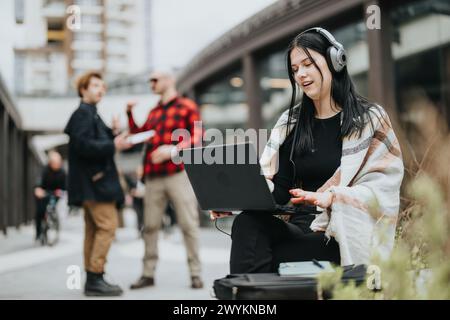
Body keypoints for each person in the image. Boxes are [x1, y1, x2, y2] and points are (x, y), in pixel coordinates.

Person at [212, 27, 404, 273]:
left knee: (265, 255)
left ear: (336, 61)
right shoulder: (291, 123)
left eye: (308, 64)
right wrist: (239, 199)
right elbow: (280, 192)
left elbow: (383, 189)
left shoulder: (369, 120)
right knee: (246, 224)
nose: (301, 74)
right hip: (301, 228)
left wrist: (332, 197)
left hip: (338, 230)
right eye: (295, 69)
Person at [127, 71, 204, 289]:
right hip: (153, 178)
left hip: (178, 174)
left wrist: (173, 149)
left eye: (155, 79)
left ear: (170, 80)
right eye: (150, 79)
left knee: (189, 225)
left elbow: (197, 136)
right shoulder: (153, 112)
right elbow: (139, 135)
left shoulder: (187, 106)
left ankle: (195, 274)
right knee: (149, 226)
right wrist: (129, 113)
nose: (151, 83)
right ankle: (147, 274)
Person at [64, 71, 133, 296]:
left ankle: (93, 278)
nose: (100, 89)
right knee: (107, 226)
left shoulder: (90, 114)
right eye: (95, 85)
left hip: (91, 184)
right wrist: (114, 144)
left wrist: (112, 133)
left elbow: (94, 142)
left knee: (93, 230)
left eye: (102, 86)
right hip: (94, 184)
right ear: (83, 89)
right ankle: (95, 276)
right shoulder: (83, 114)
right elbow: (84, 146)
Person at [34, 150, 66, 242]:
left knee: (54, 206)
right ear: (50, 163)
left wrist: (62, 192)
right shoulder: (45, 170)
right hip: (44, 193)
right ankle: (38, 233)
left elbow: (65, 186)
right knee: (40, 212)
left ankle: (53, 221)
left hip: (56, 193)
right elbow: (39, 181)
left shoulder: (62, 172)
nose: (57, 164)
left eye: (58, 162)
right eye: (55, 162)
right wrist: (38, 189)